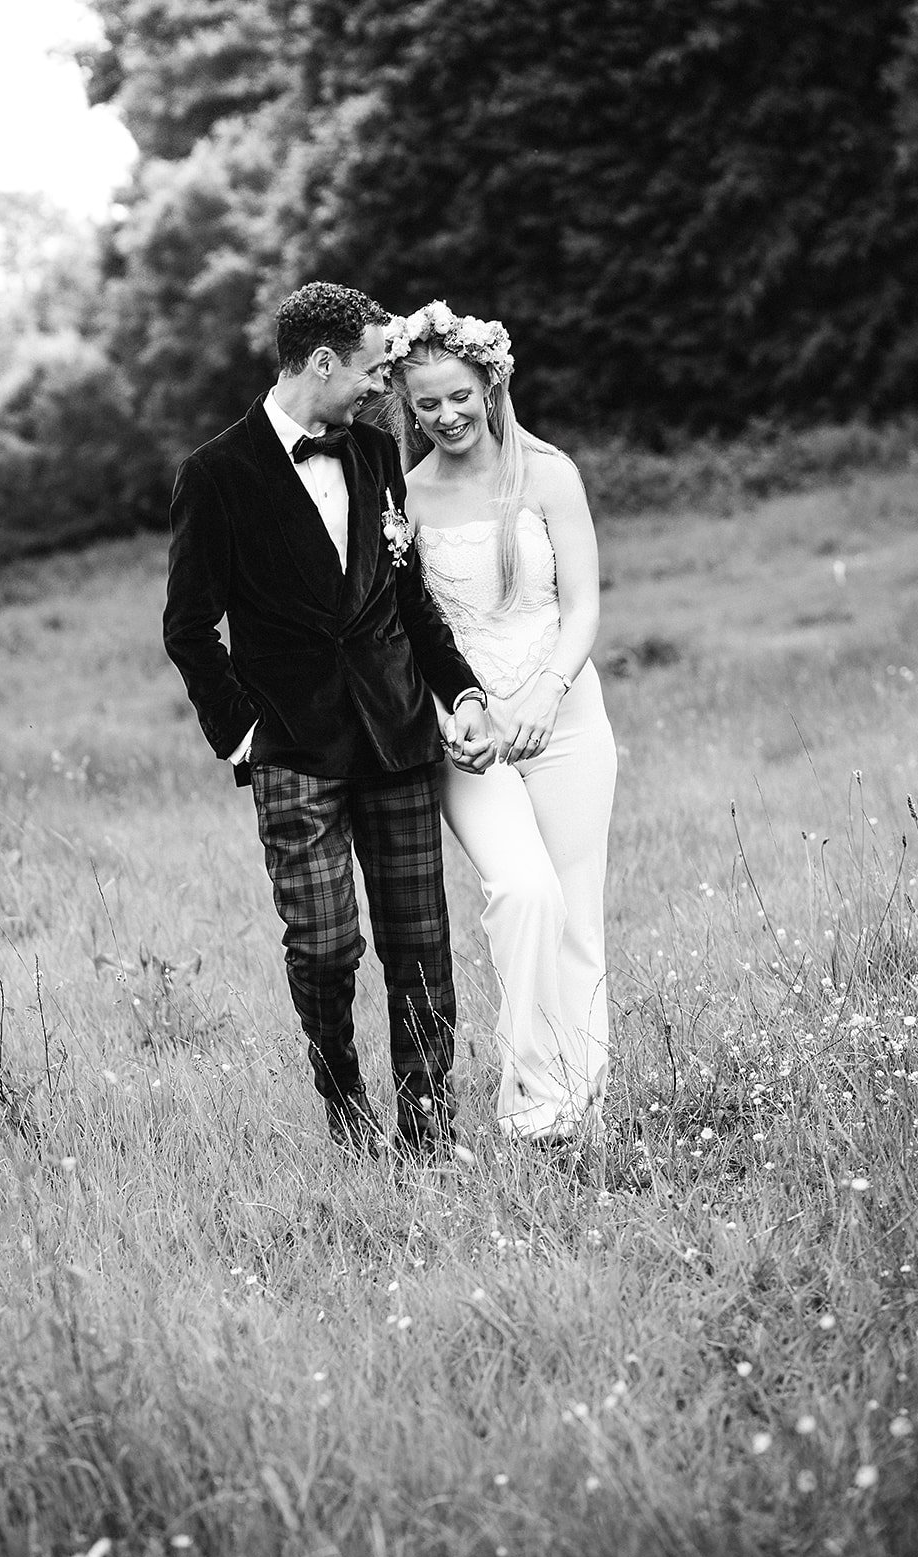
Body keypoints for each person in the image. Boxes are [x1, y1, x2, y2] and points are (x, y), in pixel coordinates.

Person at [163, 282, 495, 1158]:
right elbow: (188, 628)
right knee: (323, 946)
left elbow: (408, 593)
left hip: (395, 735)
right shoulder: (215, 473)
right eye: (374, 369)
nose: (384, 388)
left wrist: (458, 691)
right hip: (293, 750)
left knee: (420, 944)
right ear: (321, 363)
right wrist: (244, 737)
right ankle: (343, 1097)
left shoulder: (376, 450)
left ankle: (427, 1134)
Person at [384, 301, 617, 1145]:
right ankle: (529, 1099)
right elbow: (414, 629)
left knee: (575, 915)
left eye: (457, 397)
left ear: (489, 383)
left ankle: (579, 1098)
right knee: (521, 892)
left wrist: (544, 695)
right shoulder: (402, 500)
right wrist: (463, 714)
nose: (445, 417)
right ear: (405, 411)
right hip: (470, 739)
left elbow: (583, 605)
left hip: (566, 719)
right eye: (424, 406)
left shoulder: (549, 474)